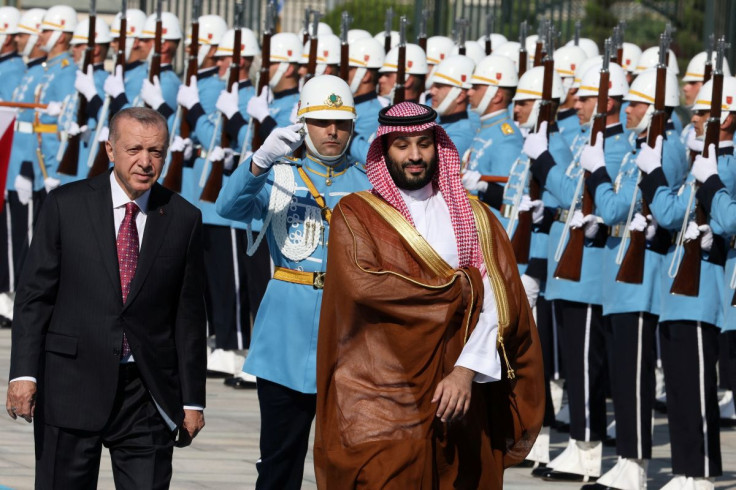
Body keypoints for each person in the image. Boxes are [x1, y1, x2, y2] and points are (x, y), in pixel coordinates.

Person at [314, 101, 545, 488]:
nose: (415, 156)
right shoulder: (356, 215)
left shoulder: (476, 217)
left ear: (439, 146)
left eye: (424, 143)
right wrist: (461, 285)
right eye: (402, 145)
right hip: (379, 389)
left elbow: (498, 303)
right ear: (383, 151)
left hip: (457, 390)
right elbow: (366, 287)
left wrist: (465, 371)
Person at [6, 107, 207, 488]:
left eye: (156, 152)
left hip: (146, 393)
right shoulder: (66, 206)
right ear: (110, 150)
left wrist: (193, 399)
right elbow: (34, 298)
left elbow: (190, 316)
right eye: (134, 150)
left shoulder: (183, 218)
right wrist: (23, 374)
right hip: (70, 384)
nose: (145, 162)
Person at [215, 74, 370, 489]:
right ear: (303, 124)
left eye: (341, 122)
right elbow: (227, 207)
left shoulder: (369, 182)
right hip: (287, 330)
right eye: (321, 122)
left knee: (348, 461)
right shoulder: (280, 175)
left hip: (349, 333)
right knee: (279, 459)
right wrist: (259, 162)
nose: (333, 131)